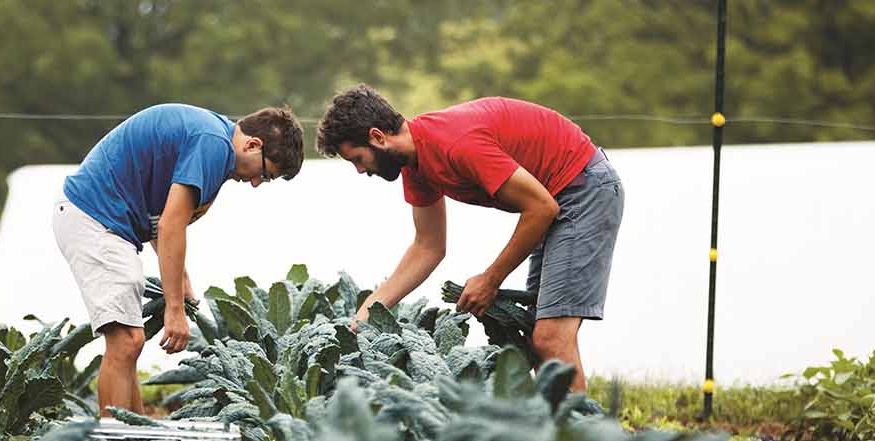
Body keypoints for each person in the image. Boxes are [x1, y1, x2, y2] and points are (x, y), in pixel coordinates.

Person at [316, 84, 623, 392]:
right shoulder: (416, 165)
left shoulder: (455, 143)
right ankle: (559, 433)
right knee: (538, 338)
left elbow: (541, 208)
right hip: (559, 197)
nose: (359, 170)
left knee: (551, 339)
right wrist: (367, 313)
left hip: (583, 189)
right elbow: (428, 246)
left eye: (357, 158)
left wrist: (491, 279)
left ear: (377, 137)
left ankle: (585, 432)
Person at [55, 103, 304, 416]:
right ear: (253, 144)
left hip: (105, 225)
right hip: (95, 220)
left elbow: (160, 214)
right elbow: (172, 223)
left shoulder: (213, 137)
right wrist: (174, 310)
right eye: (265, 174)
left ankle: (134, 439)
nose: (256, 184)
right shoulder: (213, 144)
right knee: (126, 342)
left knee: (129, 343)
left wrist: (182, 280)